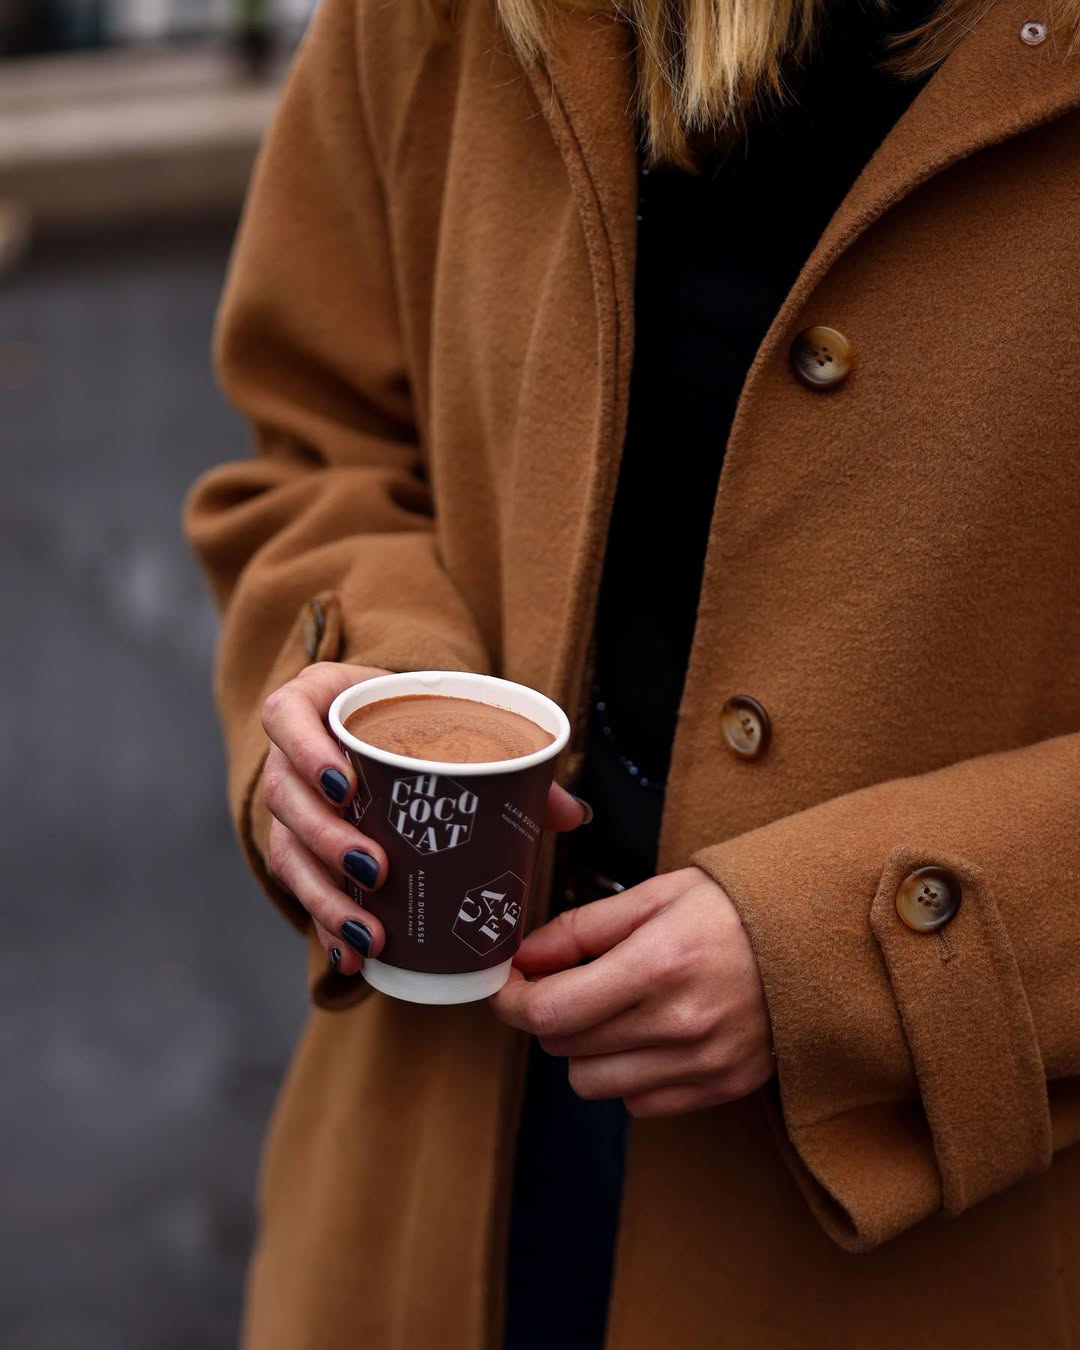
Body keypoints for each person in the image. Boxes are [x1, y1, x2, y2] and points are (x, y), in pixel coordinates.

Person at [185, 0, 1080, 1344]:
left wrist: (875, 950)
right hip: (427, 1168)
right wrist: (379, 708)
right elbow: (321, 438)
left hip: (934, 1229)